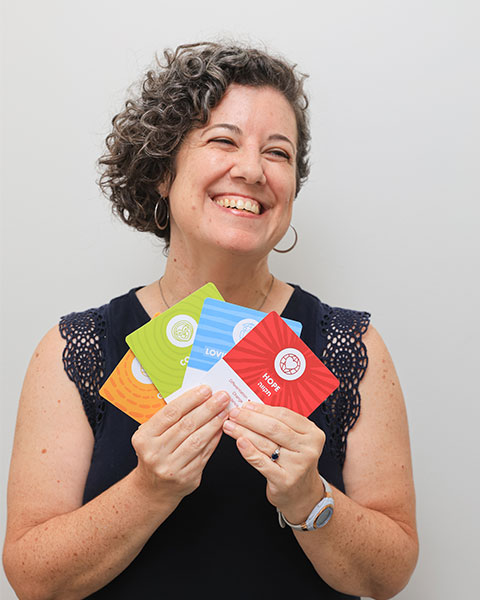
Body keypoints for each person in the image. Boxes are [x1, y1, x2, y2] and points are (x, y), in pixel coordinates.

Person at [3, 42, 418, 599]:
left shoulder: (349, 344)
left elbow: (389, 575)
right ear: (162, 172)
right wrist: (149, 490)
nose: (252, 170)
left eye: (278, 152)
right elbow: (33, 579)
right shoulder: (77, 349)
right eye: (224, 140)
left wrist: (310, 499)